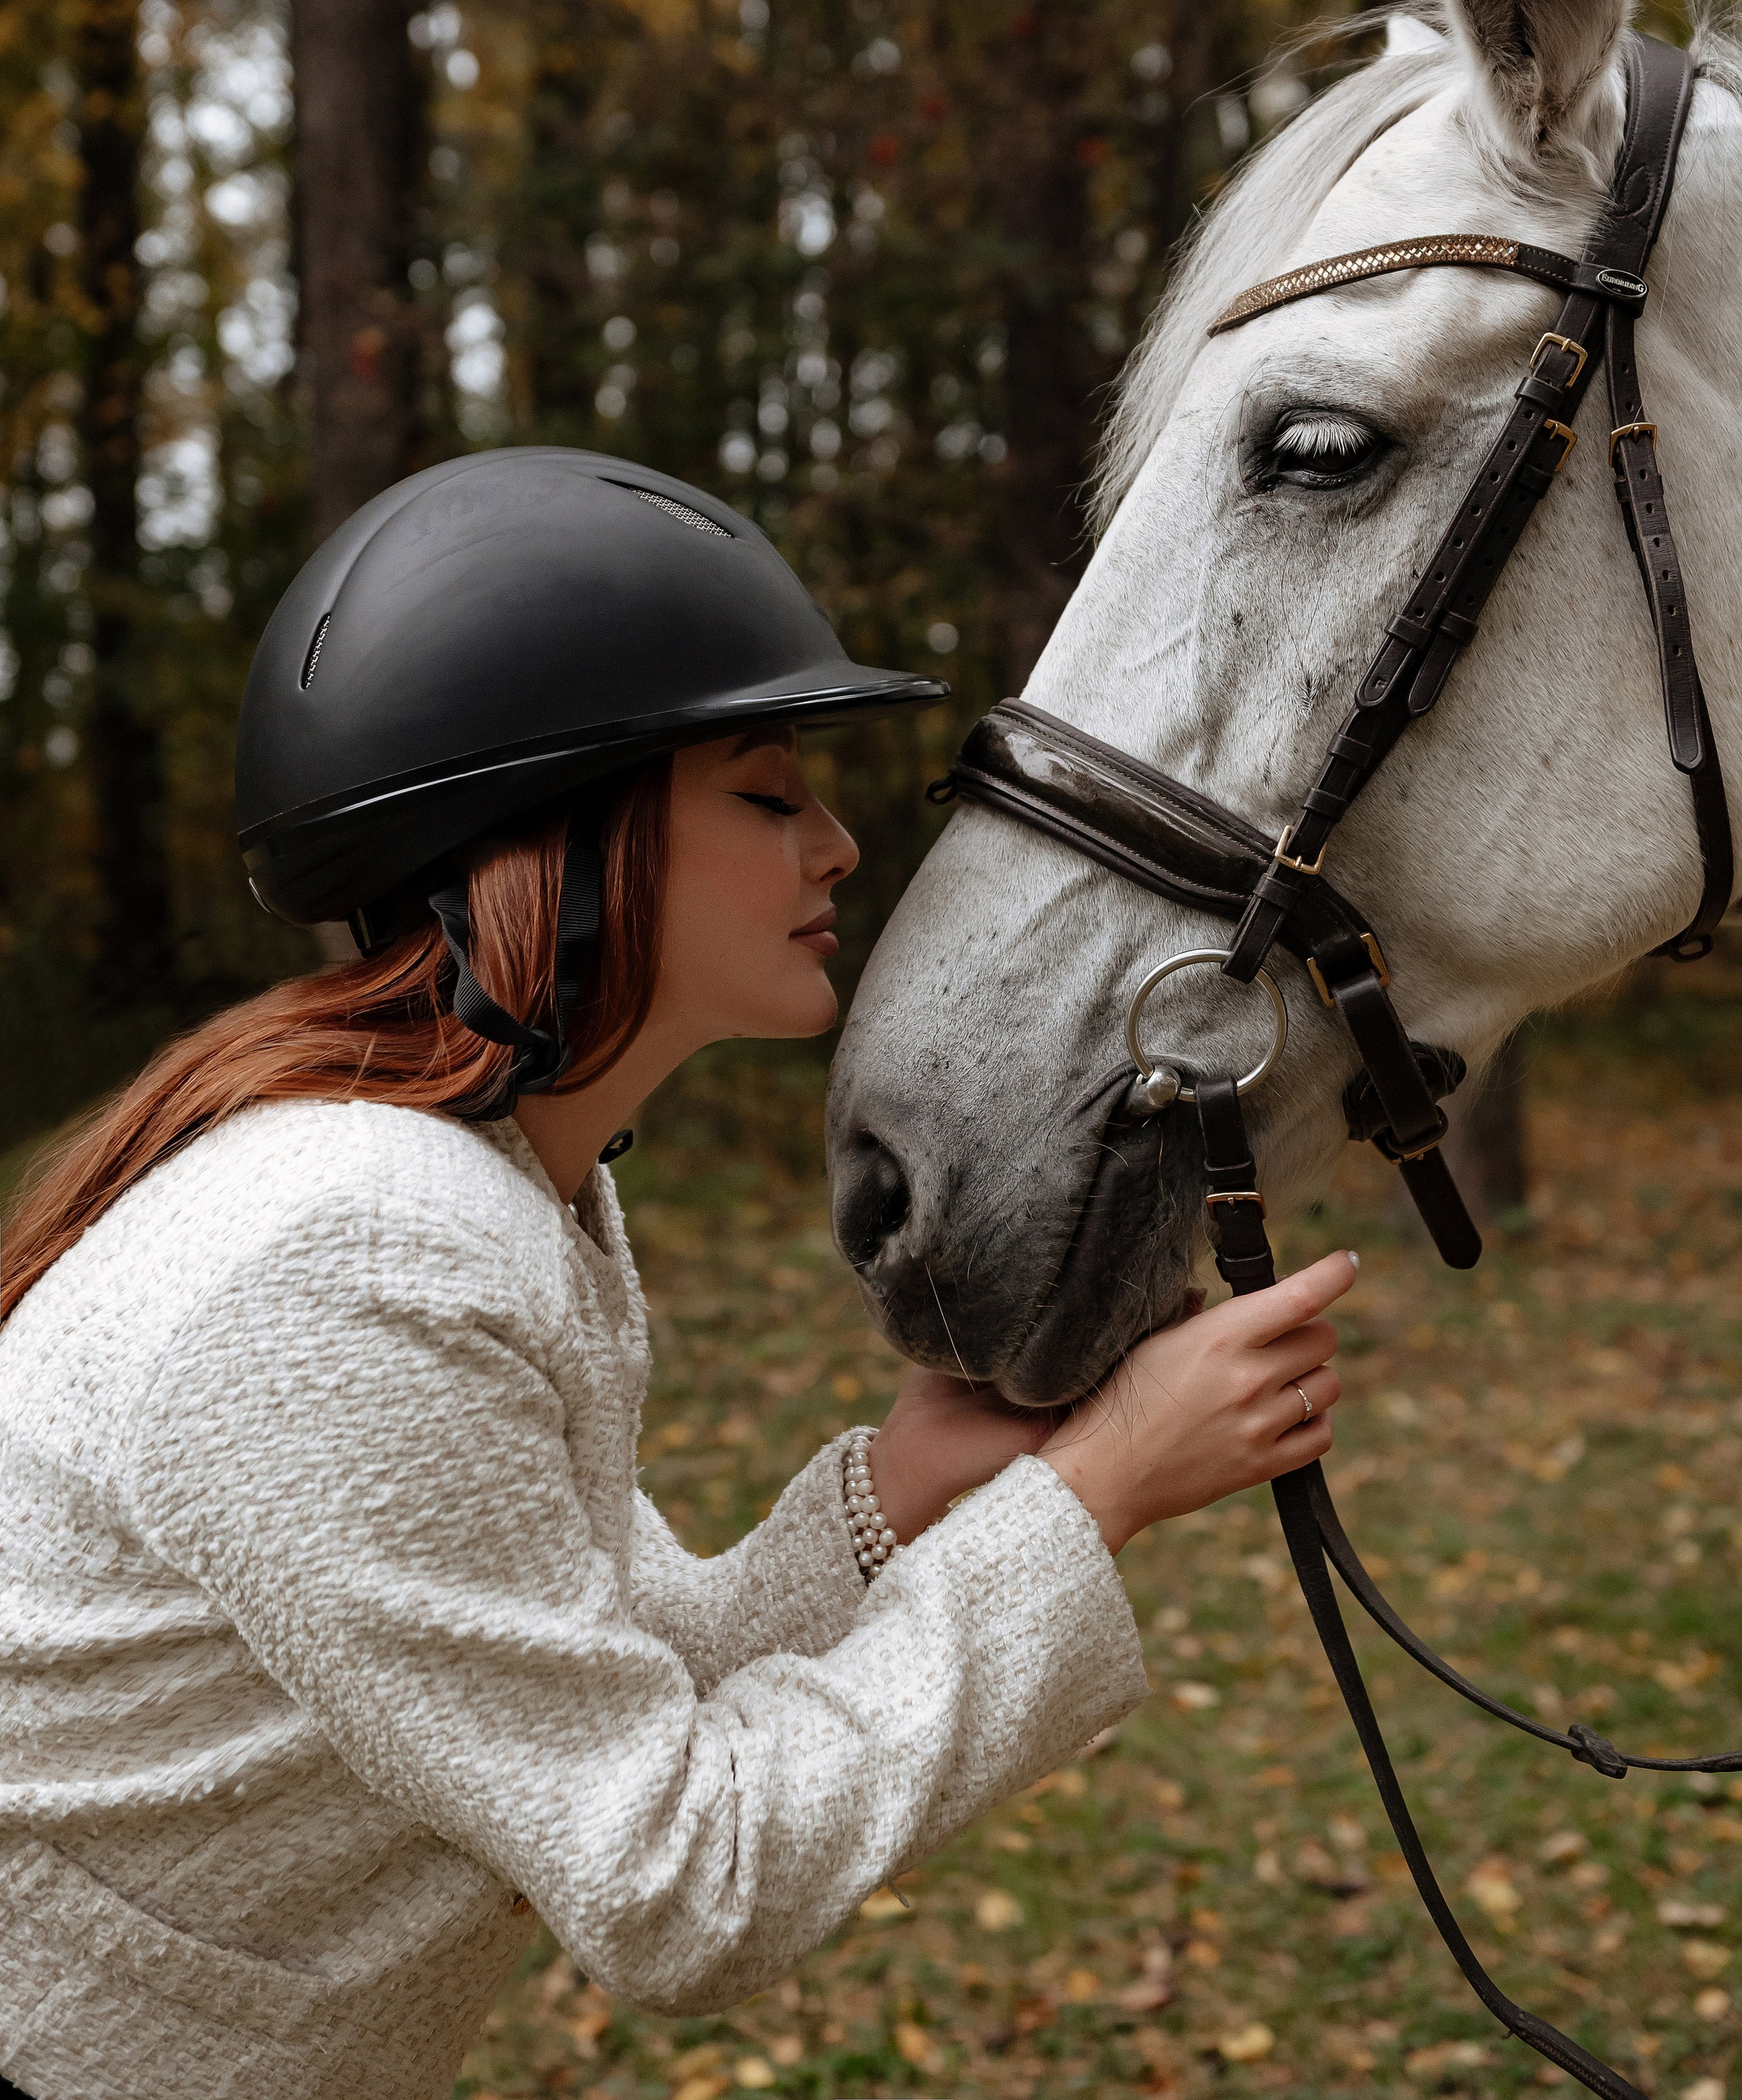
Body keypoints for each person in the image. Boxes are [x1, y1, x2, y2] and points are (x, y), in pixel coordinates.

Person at [0, 450, 1353, 2100]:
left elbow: (609, 1664)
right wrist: (1096, 1493)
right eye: (768, 794)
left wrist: (903, 1484)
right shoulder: (348, 1262)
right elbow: (675, 1878)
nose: (841, 846)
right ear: (548, 845)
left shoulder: (486, 1193)